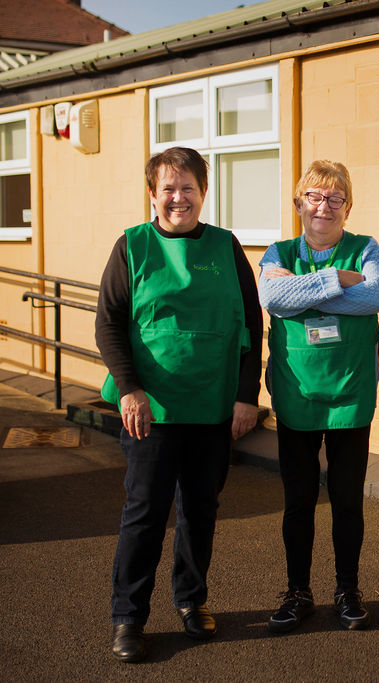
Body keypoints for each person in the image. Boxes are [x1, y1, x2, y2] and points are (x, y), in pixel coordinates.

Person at [96, 146, 262, 663]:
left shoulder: (225, 246)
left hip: (212, 407)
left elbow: (251, 324)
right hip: (151, 410)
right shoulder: (132, 246)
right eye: (168, 187)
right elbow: (108, 323)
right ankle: (129, 616)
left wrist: (246, 395)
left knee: (200, 510)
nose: (178, 197)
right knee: (144, 513)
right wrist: (129, 388)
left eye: (188, 187)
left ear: (203, 192)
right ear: (152, 194)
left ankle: (192, 600)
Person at [258, 160, 379, 633]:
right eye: (314, 196)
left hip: (350, 393)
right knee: (299, 500)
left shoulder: (367, 248)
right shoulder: (278, 250)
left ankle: (347, 589)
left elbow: (374, 297)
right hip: (297, 393)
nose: (323, 207)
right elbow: (271, 299)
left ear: (348, 207)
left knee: (348, 500)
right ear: (299, 203)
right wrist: (338, 279)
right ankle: (298, 591)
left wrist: (299, 290)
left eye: (335, 198)